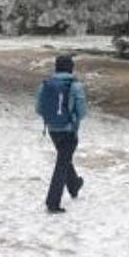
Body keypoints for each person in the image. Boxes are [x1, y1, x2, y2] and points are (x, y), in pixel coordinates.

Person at [35, 54, 88, 213]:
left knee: (64, 158)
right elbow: (82, 113)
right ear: (71, 68)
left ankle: (74, 185)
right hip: (69, 130)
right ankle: (53, 202)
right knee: (62, 163)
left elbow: (38, 109)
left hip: (52, 129)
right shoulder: (75, 86)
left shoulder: (45, 85)